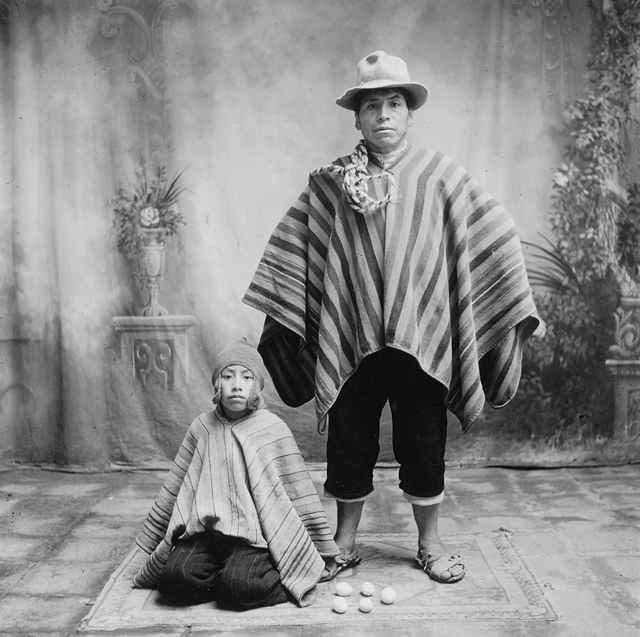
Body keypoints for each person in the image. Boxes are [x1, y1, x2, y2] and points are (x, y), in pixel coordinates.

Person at [243, 51, 540, 584]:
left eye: (394, 103)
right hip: (351, 335)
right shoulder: (331, 185)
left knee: (423, 441)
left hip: (421, 342)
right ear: (356, 117)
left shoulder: (441, 176)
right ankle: (343, 543)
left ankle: (428, 545)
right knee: (349, 441)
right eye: (372, 105)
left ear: (409, 115)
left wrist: (502, 292)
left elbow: (494, 234)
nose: (384, 114)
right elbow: (293, 251)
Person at [132, 343, 339, 608]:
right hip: (207, 534)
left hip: (254, 537)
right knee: (175, 578)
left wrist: (319, 548)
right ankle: (224, 577)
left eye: (246, 377)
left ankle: (241, 577)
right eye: (228, 377)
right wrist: (156, 538)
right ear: (217, 384)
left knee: (241, 587)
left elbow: (297, 492)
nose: (237, 385)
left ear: (256, 386)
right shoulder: (202, 428)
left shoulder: (272, 428)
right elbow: (177, 487)